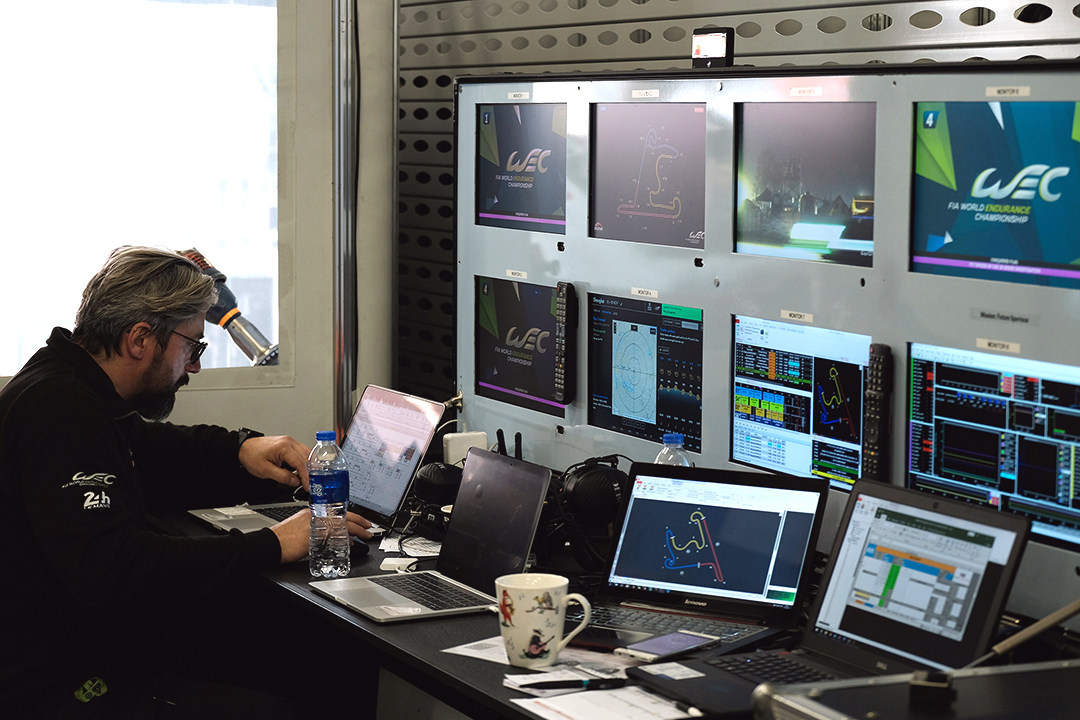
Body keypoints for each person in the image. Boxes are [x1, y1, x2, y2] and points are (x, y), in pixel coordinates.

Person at [0, 246, 373, 718]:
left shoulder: (69, 385)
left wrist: (241, 449)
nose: (194, 366)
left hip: (83, 655)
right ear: (140, 339)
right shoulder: (61, 413)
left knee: (289, 660)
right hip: (61, 687)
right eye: (193, 346)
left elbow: (150, 447)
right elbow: (112, 568)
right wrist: (274, 543)